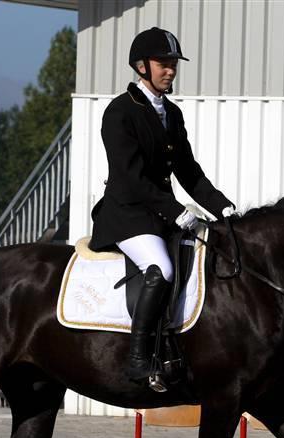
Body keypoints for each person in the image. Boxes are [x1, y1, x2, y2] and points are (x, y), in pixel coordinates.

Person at [89, 27, 234, 382]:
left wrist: (225, 209)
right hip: (126, 215)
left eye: (173, 64)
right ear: (141, 66)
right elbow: (131, 177)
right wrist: (176, 211)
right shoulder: (120, 112)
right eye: (163, 63)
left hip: (158, 215)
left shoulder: (171, 113)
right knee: (162, 268)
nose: (170, 70)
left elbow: (188, 171)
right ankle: (138, 359)